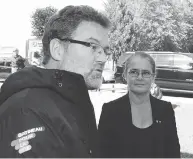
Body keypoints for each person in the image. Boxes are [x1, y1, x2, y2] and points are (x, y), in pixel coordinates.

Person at [0, 5, 111, 157]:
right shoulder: (27, 110)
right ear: (57, 49)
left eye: (106, 50)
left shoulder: (70, 99)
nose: (103, 58)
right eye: (93, 46)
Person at [98, 52, 181, 158]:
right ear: (125, 75)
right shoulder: (110, 110)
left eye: (145, 73)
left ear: (153, 77)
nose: (140, 77)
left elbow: (173, 153)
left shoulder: (165, 110)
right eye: (134, 72)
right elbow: (102, 154)